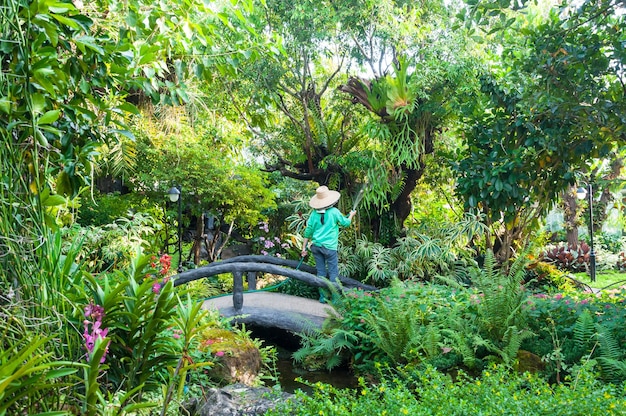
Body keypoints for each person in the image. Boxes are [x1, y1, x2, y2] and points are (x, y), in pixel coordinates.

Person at [301, 186, 356, 289]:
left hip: (316, 246)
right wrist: (351, 215)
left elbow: (308, 231)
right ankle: (334, 297)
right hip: (330, 248)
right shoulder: (334, 212)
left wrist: (304, 248)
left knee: (321, 272)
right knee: (333, 273)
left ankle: (323, 297)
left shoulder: (313, 214)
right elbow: (346, 223)